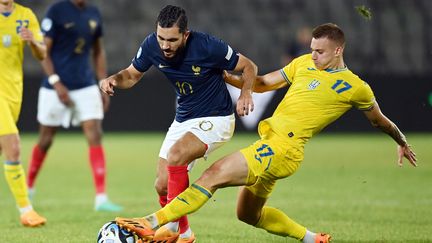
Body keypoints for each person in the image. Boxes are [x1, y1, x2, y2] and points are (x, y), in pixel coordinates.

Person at [114, 23, 418, 243]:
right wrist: (225, 76)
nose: (313, 56)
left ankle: (152, 221)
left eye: (320, 52)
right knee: (248, 215)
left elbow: (379, 120)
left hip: (283, 149)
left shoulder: (356, 86)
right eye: (311, 50)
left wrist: (401, 140)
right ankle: (314, 239)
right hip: (271, 144)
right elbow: (261, 83)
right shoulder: (302, 64)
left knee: (213, 175)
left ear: (338, 50)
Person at [100, 5, 257, 243]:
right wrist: (113, 79)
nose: (165, 46)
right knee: (162, 186)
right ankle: (185, 234)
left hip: (217, 118)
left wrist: (246, 94)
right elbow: (131, 75)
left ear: (186, 34)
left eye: (172, 40)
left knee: (176, 155)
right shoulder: (152, 44)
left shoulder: (207, 46)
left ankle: (171, 228)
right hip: (184, 118)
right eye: (161, 38)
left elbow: (249, 67)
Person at [26, 0, 122, 212]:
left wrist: (102, 83)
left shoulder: (94, 12)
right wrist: (56, 82)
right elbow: (44, 52)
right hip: (54, 87)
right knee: (45, 139)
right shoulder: (56, 10)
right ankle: (28, 187)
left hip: (85, 85)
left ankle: (101, 198)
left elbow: (98, 51)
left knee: (95, 134)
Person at [0, 0, 47, 227]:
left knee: (2, 149)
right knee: (13, 146)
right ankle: (26, 210)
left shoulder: (25, 15)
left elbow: (42, 53)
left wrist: (33, 43)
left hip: (13, 92)